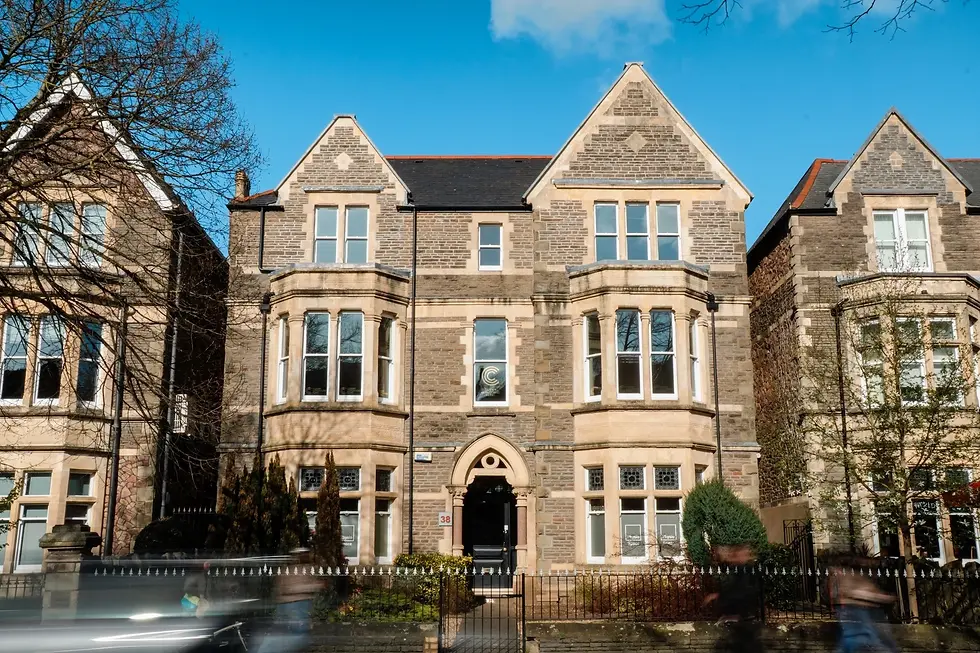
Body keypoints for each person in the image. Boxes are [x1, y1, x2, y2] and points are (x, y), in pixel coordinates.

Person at [257, 548, 323, 653]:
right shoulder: (299, 569)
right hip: (296, 605)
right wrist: (316, 585)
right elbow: (291, 588)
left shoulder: (289, 569)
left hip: (290, 604)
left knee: (286, 632)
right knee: (298, 635)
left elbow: (281, 588)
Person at [830, 556, 897, 653]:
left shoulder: (860, 577)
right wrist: (878, 597)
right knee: (862, 639)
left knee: (855, 639)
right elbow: (849, 593)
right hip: (855, 610)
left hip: (862, 610)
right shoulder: (849, 575)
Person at [704, 543, 763, 653]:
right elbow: (735, 590)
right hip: (744, 621)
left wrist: (720, 598)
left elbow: (740, 592)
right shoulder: (742, 570)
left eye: (738, 555)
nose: (734, 557)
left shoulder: (746, 571)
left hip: (745, 620)